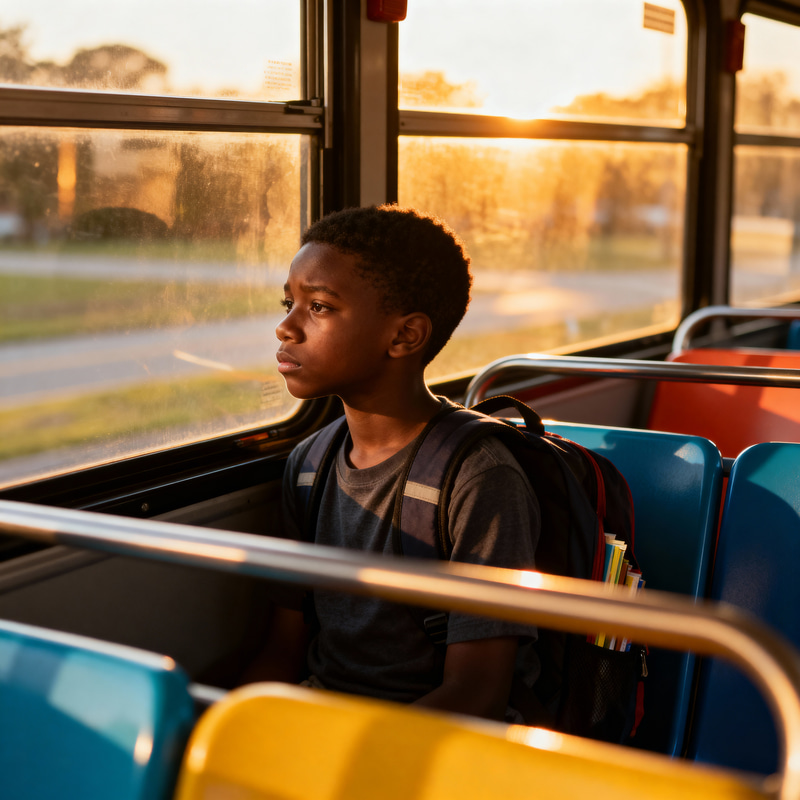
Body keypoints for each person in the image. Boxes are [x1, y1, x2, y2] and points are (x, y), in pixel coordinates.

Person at [243, 204, 540, 722]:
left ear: (404, 336)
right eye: (288, 302)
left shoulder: (478, 478)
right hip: (325, 714)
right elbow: (282, 650)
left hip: (430, 737)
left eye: (319, 308)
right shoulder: (309, 465)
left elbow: (477, 694)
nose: (285, 328)